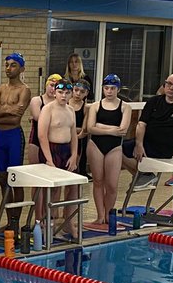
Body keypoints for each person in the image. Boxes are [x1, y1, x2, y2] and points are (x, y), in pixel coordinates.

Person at [125, 73, 173, 186]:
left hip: (165, 148)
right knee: (115, 149)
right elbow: (141, 124)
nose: (171, 88)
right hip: (147, 142)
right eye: (169, 84)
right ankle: (143, 175)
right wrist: (139, 144)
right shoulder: (154, 101)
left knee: (117, 151)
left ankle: (145, 175)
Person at [0, 53, 32, 230]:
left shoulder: (24, 90)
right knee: (3, 179)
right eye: (7, 65)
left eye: (13, 65)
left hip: (13, 137)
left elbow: (15, 120)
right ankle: (9, 220)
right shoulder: (0, 88)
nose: (8, 68)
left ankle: (15, 222)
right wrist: (8, 111)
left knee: (16, 180)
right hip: (0, 137)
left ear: (21, 69)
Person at [85, 74, 131, 231]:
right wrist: (112, 130)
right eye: (106, 88)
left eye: (112, 88)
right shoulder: (95, 106)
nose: (109, 91)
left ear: (118, 89)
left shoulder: (125, 107)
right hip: (95, 145)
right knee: (98, 181)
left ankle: (107, 215)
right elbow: (90, 129)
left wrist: (101, 126)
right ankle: (100, 215)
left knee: (111, 185)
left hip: (114, 148)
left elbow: (123, 130)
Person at [38, 80, 78, 235]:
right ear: (55, 92)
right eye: (61, 92)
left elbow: (73, 134)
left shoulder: (71, 110)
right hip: (51, 150)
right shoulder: (48, 109)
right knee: (51, 190)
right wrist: (49, 159)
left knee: (72, 187)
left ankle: (68, 222)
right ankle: (48, 222)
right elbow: (42, 135)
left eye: (67, 93)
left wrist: (74, 155)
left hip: (67, 151)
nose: (64, 95)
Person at [69, 79, 91, 175]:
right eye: (76, 90)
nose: (78, 94)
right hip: (63, 140)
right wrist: (75, 130)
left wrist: (73, 136)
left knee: (73, 169)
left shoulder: (86, 108)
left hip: (79, 141)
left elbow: (84, 130)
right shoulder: (65, 103)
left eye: (82, 92)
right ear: (72, 90)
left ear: (86, 93)